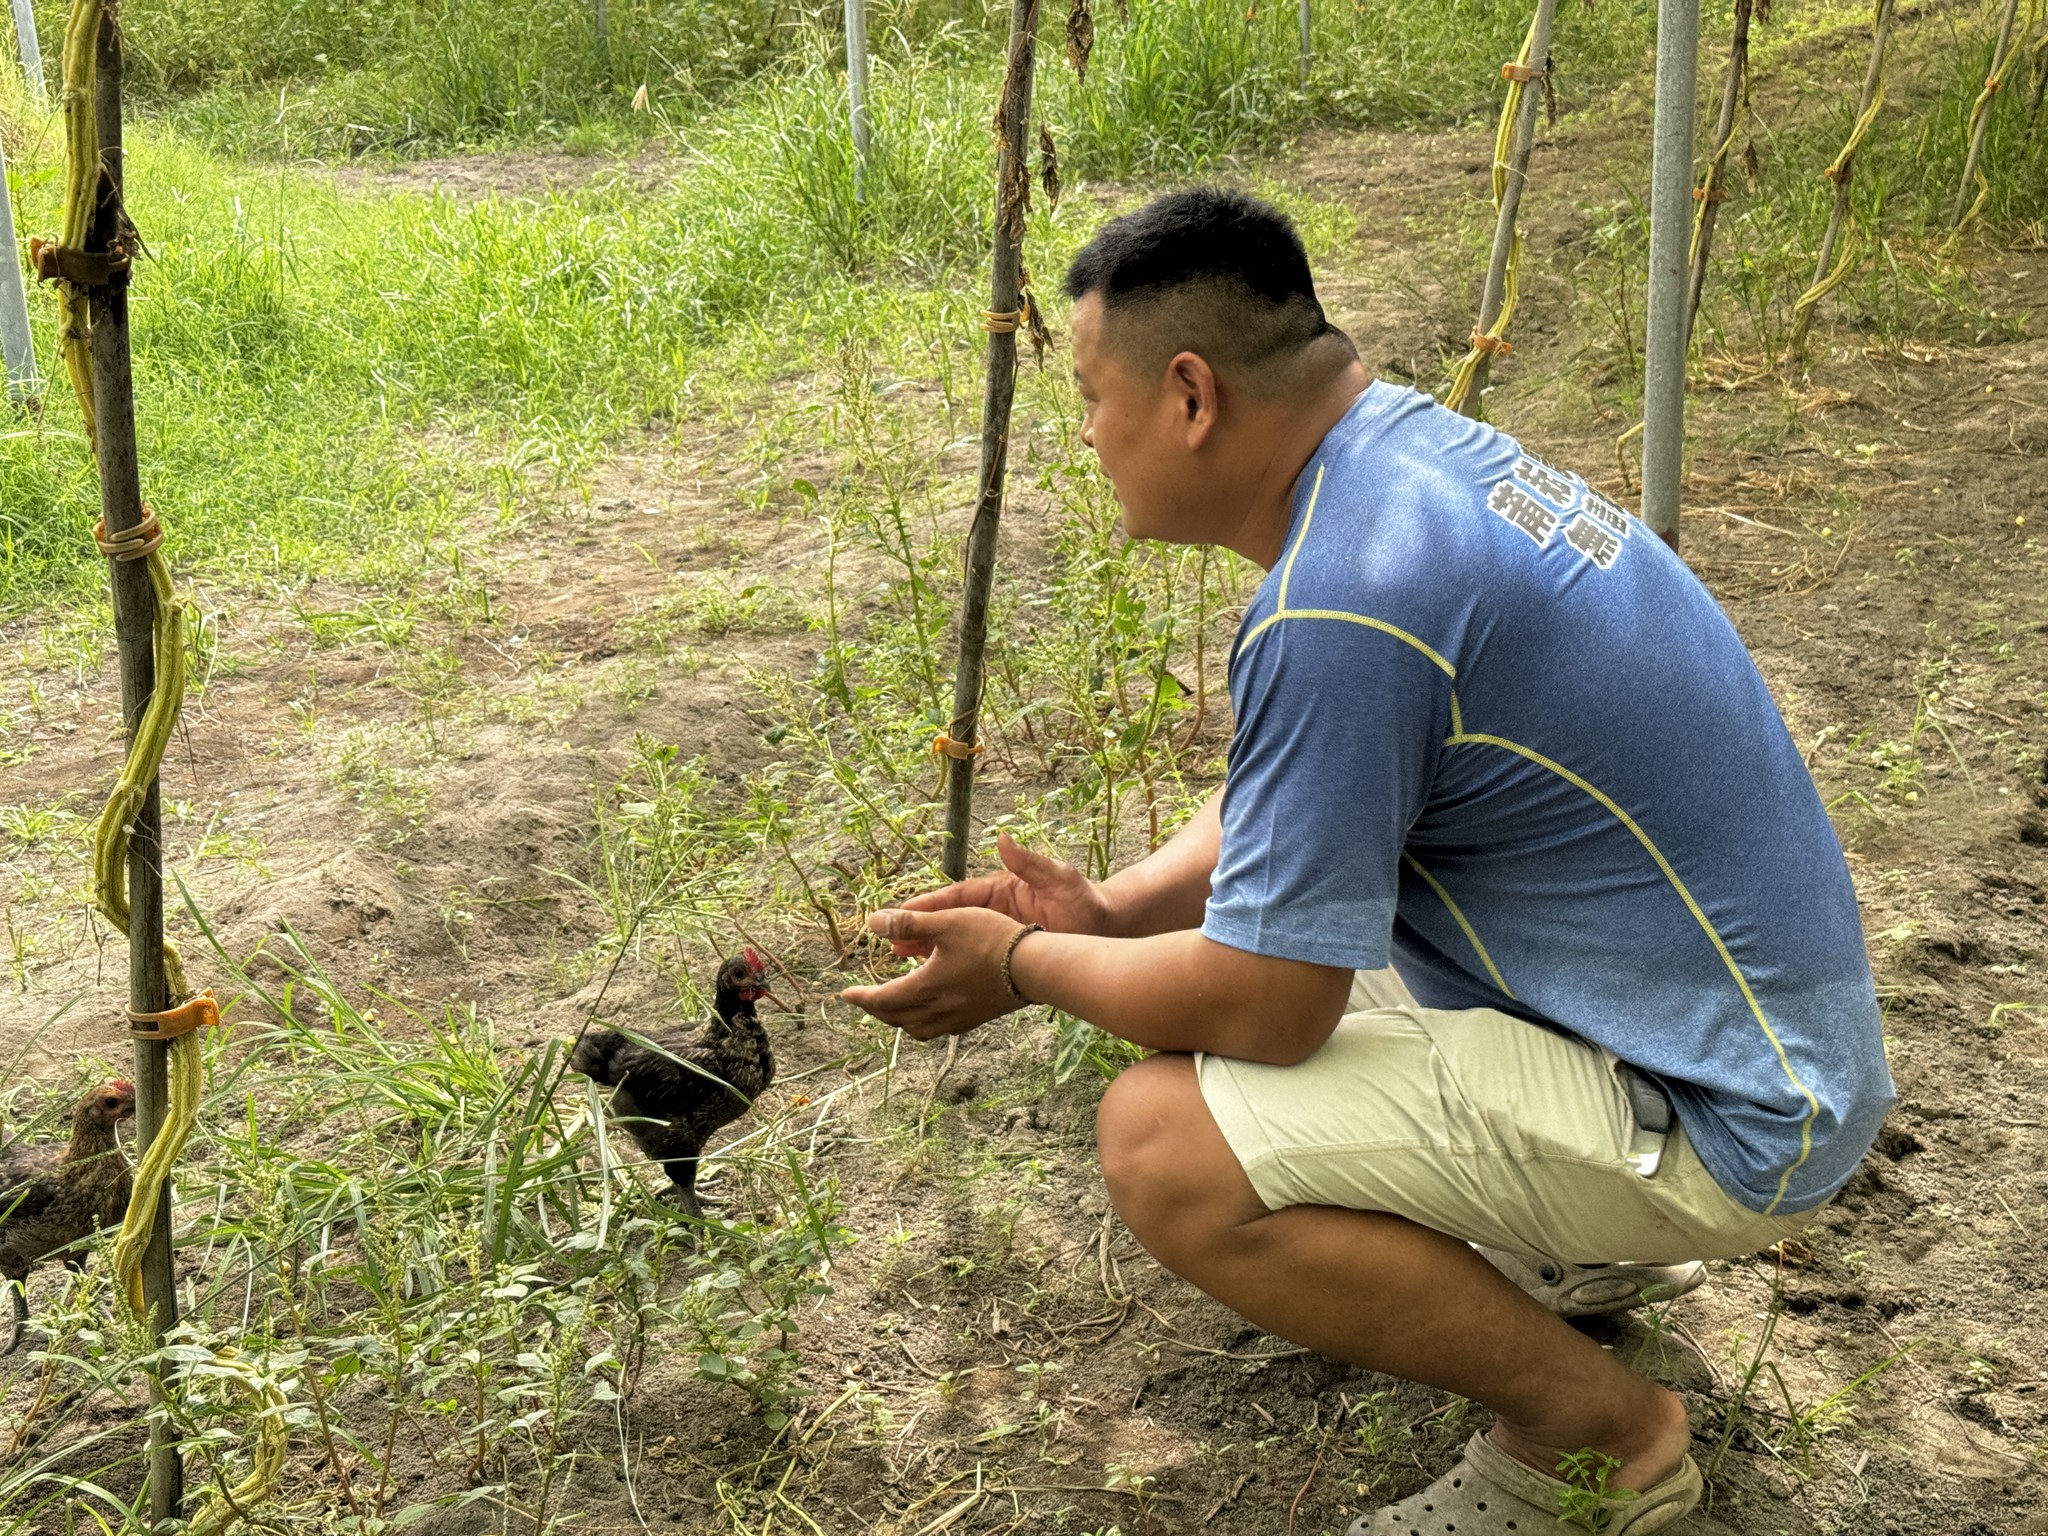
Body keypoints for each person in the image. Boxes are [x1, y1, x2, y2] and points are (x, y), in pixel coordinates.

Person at [840, 188, 1893, 1536]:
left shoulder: (1348, 598)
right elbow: (1318, 796)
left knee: (1166, 1141)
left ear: (1190, 396)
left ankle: (1601, 1439)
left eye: (1092, 400)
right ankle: (1567, 1250)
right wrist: (1114, 908)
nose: (1087, 438)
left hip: (1736, 1113)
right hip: (1745, 1035)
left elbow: (1273, 1011)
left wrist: (1031, 965)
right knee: (1210, 987)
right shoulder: (1403, 472)